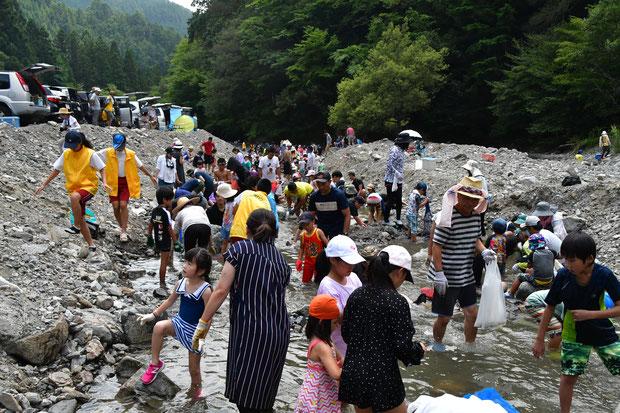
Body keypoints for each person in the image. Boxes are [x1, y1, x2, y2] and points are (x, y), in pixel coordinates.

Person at [200, 209, 290, 412]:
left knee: (246, 399)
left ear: (247, 229)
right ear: (274, 233)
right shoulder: (282, 261)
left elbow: (221, 290)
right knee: (263, 399)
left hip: (251, 332)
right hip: (279, 333)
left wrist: (203, 323)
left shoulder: (239, 250)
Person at [532, 232, 620, 413]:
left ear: (589, 259)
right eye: (565, 260)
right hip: (574, 334)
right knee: (568, 377)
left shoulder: (604, 275)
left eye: (572, 261)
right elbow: (550, 307)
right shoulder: (564, 276)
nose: (567, 265)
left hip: (602, 331)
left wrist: (591, 315)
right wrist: (539, 339)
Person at [340, 246, 425, 413]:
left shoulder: (356, 294)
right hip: (383, 378)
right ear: (400, 272)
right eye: (405, 277)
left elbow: (346, 335)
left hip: (355, 374)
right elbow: (403, 348)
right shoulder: (397, 302)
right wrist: (419, 350)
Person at [428, 176, 496, 350]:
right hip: (447, 275)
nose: (469, 203)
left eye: (474, 200)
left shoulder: (475, 217)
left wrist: (484, 250)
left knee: (472, 314)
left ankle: (470, 346)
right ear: (458, 196)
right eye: (466, 198)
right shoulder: (448, 216)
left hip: (466, 274)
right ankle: (437, 343)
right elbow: (437, 246)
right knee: (444, 318)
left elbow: (475, 239)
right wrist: (439, 273)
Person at [137, 248, 213, 400]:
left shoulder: (206, 290)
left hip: (196, 331)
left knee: (194, 369)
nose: (184, 266)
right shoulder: (181, 283)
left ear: (201, 270)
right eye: (185, 261)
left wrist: (200, 337)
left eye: (190, 264)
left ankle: (196, 393)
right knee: (159, 327)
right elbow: (169, 301)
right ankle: (155, 363)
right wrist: (153, 315)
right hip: (179, 322)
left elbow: (209, 316)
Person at [35, 131, 108, 255]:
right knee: (81, 217)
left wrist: (105, 182)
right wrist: (44, 184)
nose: (72, 148)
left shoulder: (90, 154)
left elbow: (102, 168)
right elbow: (56, 170)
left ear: (80, 143)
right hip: (74, 188)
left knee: (74, 198)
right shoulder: (67, 153)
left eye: (74, 145)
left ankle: (76, 226)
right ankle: (91, 245)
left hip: (89, 187)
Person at [97, 133, 157, 242]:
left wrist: (150, 176)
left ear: (125, 144)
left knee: (123, 205)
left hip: (126, 182)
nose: (118, 148)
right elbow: (92, 156)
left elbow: (141, 166)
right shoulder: (107, 152)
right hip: (112, 182)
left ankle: (123, 230)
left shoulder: (130, 154)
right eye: (117, 146)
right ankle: (122, 227)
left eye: (120, 146)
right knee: (115, 206)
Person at [317, 235, 365, 357]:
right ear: (333, 259)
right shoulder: (328, 286)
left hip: (356, 343)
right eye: (347, 262)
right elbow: (337, 318)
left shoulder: (353, 277)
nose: (352, 266)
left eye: (353, 262)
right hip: (339, 349)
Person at [294, 295, 343, 413]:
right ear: (322, 322)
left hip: (323, 391)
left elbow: (341, 357)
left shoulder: (325, 340)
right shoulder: (321, 346)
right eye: (335, 322)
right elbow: (336, 374)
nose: (337, 326)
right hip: (317, 396)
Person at [507, 233, 556, 300]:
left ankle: (511, 294)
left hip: (537, 281)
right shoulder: (552, 252)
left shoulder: (533, 254)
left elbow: (529, 266)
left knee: (520, 276)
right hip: (550, 280)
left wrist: (521, 264)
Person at [147, 187, 175, 288]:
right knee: (164, 262)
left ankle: (161, 281)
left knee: (162, 261)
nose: (171, 202)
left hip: (157, 240)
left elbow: (150, 224)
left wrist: (149, 237)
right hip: (166, 240)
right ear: (164, 200)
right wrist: (176, 242)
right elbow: (169, 229)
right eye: (170, 199)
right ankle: (162, 283)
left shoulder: (154, 210)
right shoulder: (166, 212)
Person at [308, 172, 351, 239]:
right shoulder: (314, 197)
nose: (321, 186)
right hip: (322, 226)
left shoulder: (339, 195)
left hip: (337, 227)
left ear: (330, 182)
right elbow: (311, 215)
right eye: (318, 183)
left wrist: (345, 233)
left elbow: (347, 214)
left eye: (323, 184)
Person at [229, 178, 271, 244]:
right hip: (252, 238)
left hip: (236, 232)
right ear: (269, 192)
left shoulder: (246, 193)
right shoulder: (267, 204)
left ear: (256, 187)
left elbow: (234, 209)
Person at [384, 132, 412, 226]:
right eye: (407, 143)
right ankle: (386, 220)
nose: (408, 144)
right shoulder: (394, 150)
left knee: (399, 200)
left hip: (398, 179)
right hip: (391, 179)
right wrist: (396, 172)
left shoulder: (401, 150)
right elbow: (389, 164)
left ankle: (398, 218)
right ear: (403, 142)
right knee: (391, 200)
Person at [296, 212, 328, 284]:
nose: (306, 227)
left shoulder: (318, 232)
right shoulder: (302, 235)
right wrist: (299, 260)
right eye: (303, 225)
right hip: (308, 262)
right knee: (305, 281)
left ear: (313, 221)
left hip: (319, 262)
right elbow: (301, 248)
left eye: (307, 224)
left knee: (318, 282)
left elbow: (327, 244)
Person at [462, 159, 490, 235]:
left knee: (477, 222)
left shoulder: (477, 177)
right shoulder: (481, 177)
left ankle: (478, 238)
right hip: (483, 202)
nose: (467, 171)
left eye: (468, 170)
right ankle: (482, 237)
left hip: (480, 203)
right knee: (480, 222)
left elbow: (477, 192)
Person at [216, 183, 237, 253]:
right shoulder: (234, 203)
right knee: (231, 243)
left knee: (224, 242)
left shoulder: (227, 203)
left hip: (225, 225)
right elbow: (234, 214)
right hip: (231, 225)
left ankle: (223, 256)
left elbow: (226, 214)